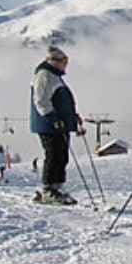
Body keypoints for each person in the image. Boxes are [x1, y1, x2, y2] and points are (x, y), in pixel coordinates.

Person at [29, 46, 82, 205]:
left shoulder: (54, 75)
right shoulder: (44, 75)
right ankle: (48, 190)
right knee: (53, 154)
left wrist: (73, 116)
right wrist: (53, 119)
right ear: (54, 61)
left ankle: (57, 188)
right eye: (63, 61)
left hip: (59, 124)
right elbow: (41, 100)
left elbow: (61, 101)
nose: (65, 65)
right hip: (49, 124)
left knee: (61, 155)